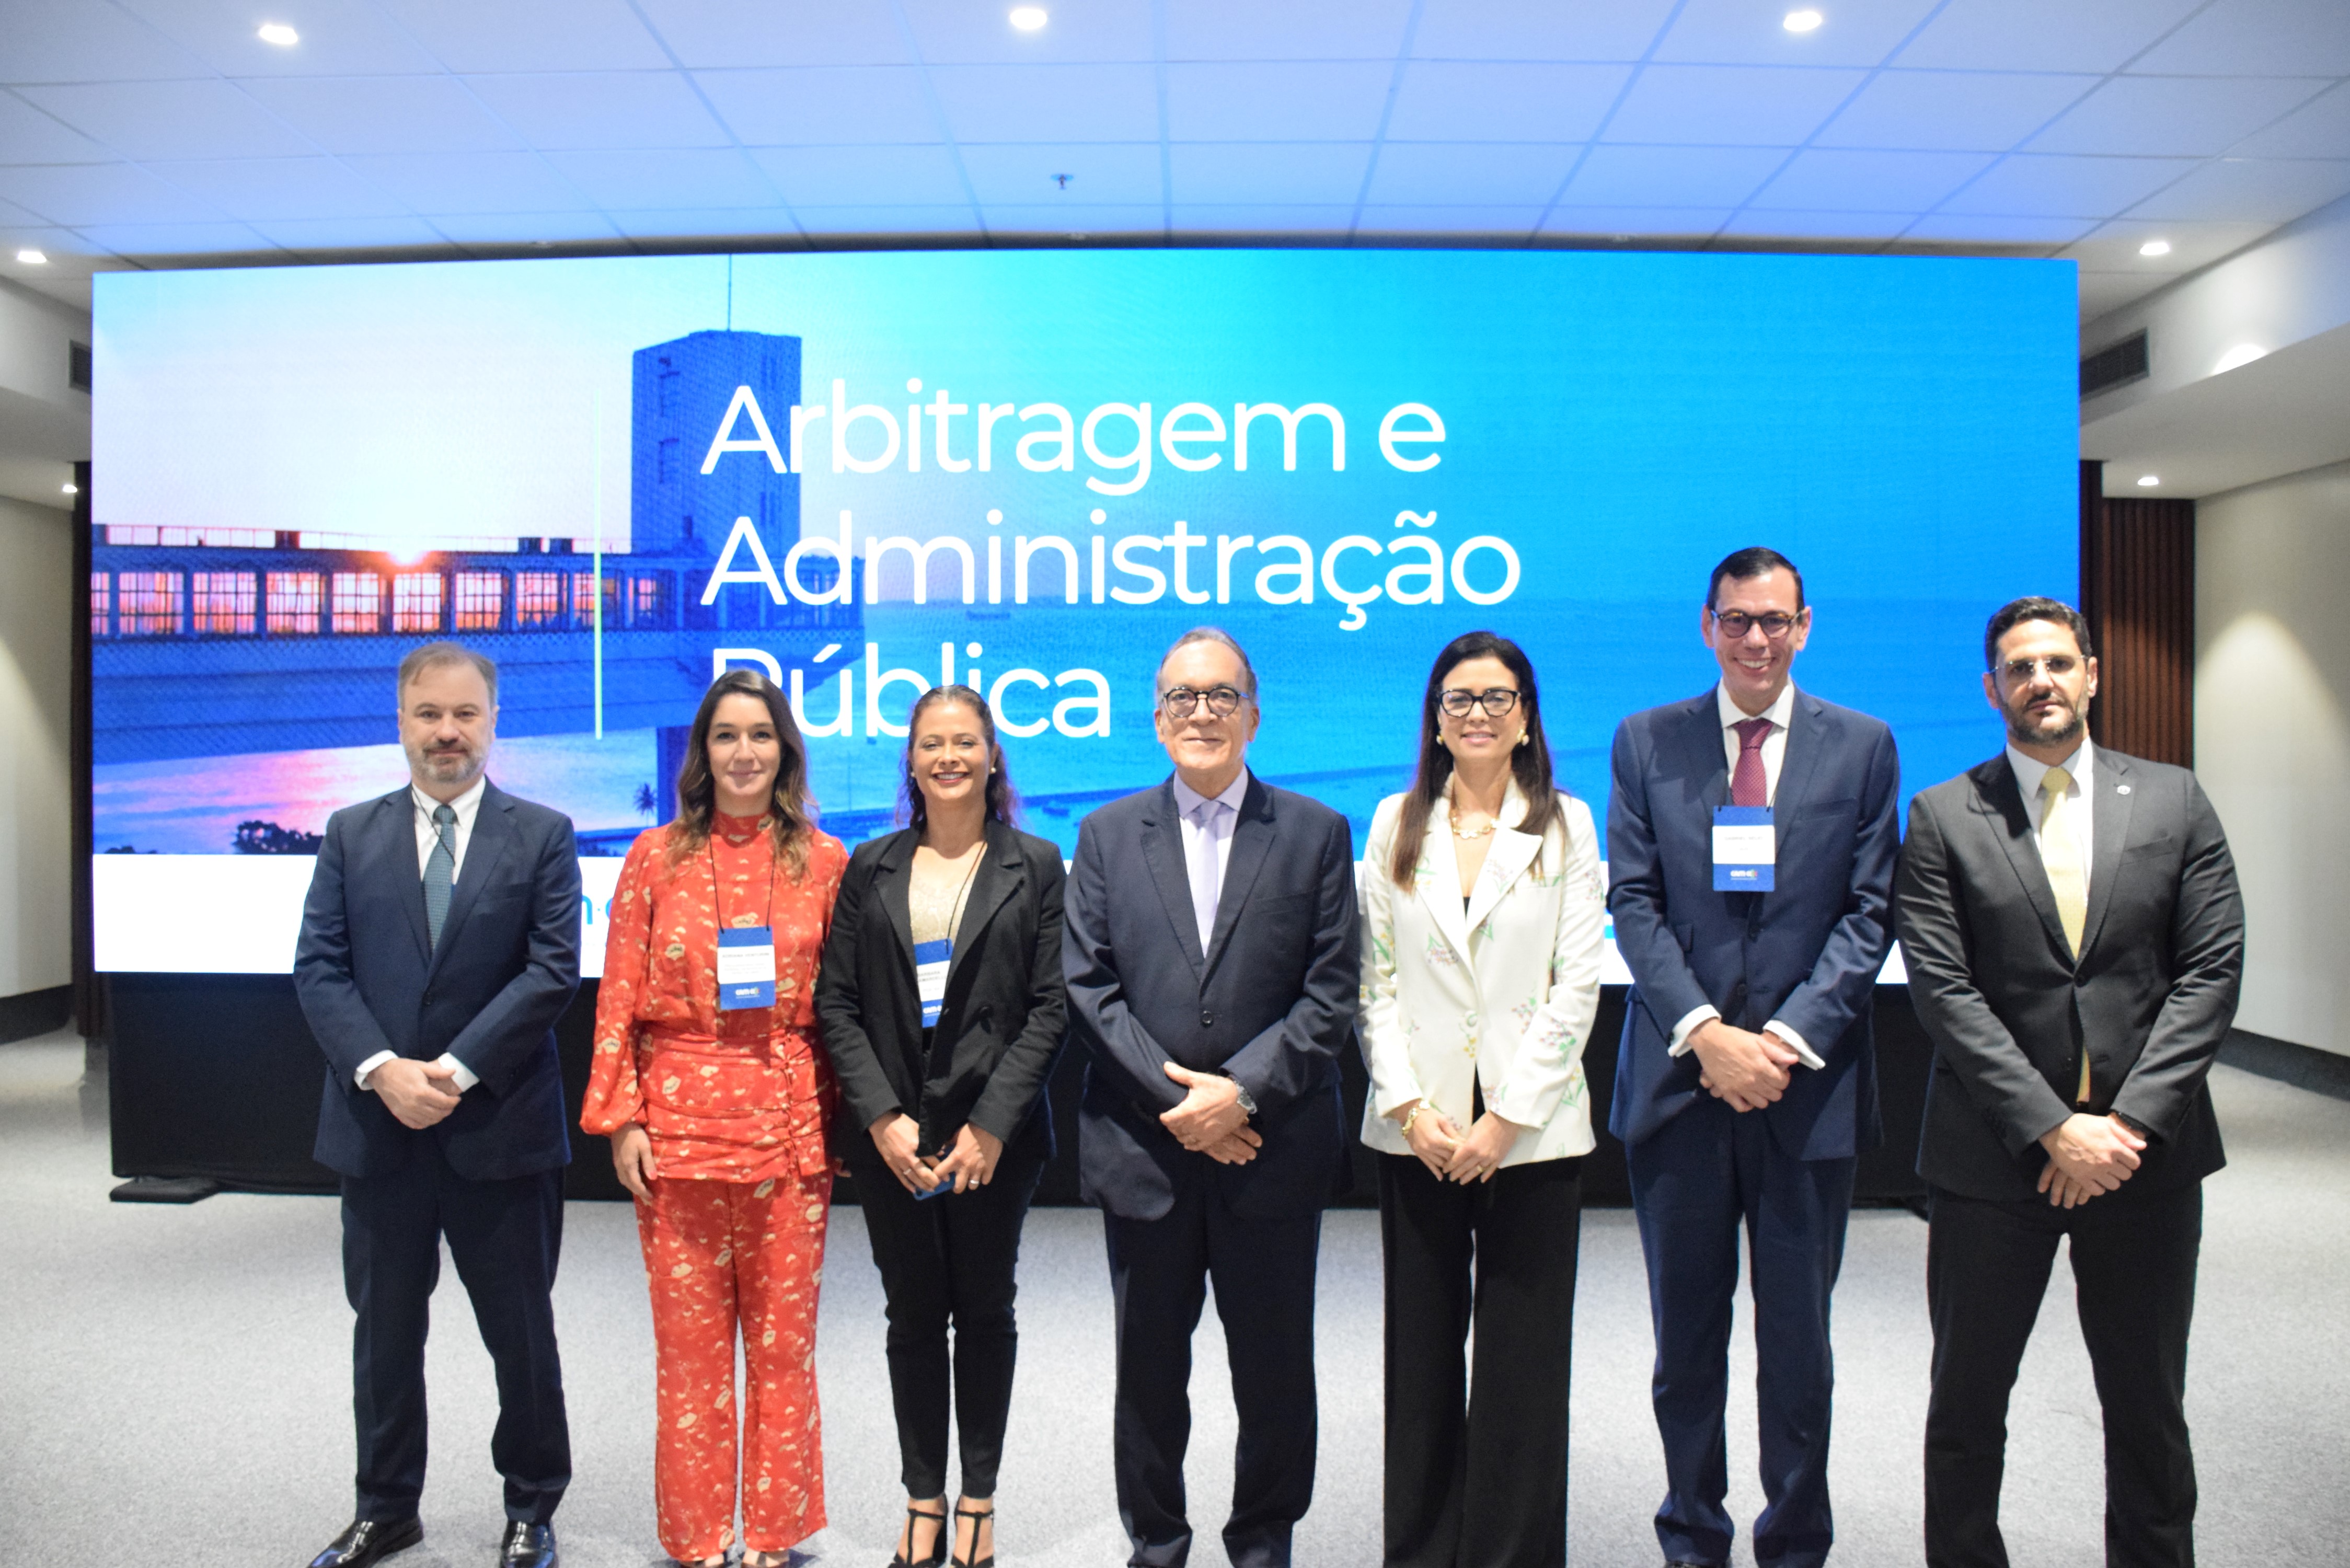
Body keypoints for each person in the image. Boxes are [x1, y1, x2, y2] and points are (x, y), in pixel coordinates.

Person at [1896, 596, 2243, 1568]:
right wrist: (2053, 1127)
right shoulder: (1943, 815)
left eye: (2057, 663)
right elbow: (1944, 990)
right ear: (1991, 689)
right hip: (1993, 1160)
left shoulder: (2175, 800)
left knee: (2147, 1406)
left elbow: (2211, 971)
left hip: (2145, 1162)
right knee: (1967, 1408)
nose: (2039, 681)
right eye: (2019, 668)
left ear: (2092, 673)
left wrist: (2125, 1126)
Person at [1606, 547, 1900, 1568]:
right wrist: (1705, 1033)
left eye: (1775, 620)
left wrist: (1781, 1041)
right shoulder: (1646, 740)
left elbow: (1869, 912)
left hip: (1803, 1090)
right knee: (1685, 1347)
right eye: (1737, 620)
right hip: (1680, 1088)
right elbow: (1632, 901)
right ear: (1707, 626)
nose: (1756, 639)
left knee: (1799, 1351)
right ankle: (1693, 1537)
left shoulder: (1862, 745)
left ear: (1804, 627)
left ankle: (1795, 1544)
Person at [1063, 627, 1358, 1568]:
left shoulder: (1315, 832)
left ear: (1253, 715)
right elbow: (1090, 990)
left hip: (1272, 1152)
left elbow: (1331, 993)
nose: (1202, 712)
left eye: (1221, 695)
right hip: (1145, 1155)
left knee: (1275, 1376)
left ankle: (1263, 1544)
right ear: (1157, 720)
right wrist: (1188, 1110)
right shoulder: (1106, 835)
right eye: (1184, 698)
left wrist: (1244, 1097)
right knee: (1149, 1377)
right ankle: (1157, 1544)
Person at [292, 641, 582, 1568]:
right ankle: (385, 1508)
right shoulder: (349, 833)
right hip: (378, 1130)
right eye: (429, 714)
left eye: (464, 714)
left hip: (500, 1129)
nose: (447, 732)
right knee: (383, 1336)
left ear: (493, 721)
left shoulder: (543, 834)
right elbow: (319, 969)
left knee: (520, 1337)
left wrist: (452, 1073)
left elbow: (551, 972)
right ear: (402, 722)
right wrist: (384, 1070)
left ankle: (532, 1508)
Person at [579, 669, 849, 1568]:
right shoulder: (653, 856)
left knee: (783, 1349)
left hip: (789, 1128)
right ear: (702, 751)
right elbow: (618, 995)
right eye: (726, 735)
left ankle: (772, 1530)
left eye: (760, 735)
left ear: (785, 750)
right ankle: (699, 1536)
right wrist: (622, 1119)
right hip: (677, 1131)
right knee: (690, 1354)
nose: (744, 752)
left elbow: (844, 1009)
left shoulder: (825, 861)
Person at [1358, 631, 1606, 1568]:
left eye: (1497, 698)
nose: (1477, 714)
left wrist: (1506, 1119)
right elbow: (1373, 982)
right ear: (1434, 719)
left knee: (1523, 1364)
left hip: (1531, 1135)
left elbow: (1576, 985)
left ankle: (1511, 1552)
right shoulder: (1395, 821)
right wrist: (1409, 1106)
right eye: (1458, 699)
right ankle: (1422, 1550)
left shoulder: (1568, 824)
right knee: (1419, 1363)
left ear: (1527, 718)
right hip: (1419, 1133)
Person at [815, 686, 1068, 1568]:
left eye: (966, 742)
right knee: (913, 1317)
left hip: (994, 1140)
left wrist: (992, 1127)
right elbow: (836, 1003)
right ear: (912, 761)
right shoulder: (871, 865)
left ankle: (979, 1505)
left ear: (994, 757)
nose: (950, 757)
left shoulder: (1037, 863)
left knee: (986, 1312)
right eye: (933, 744)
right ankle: (922, 1500)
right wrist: (881, 1120)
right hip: (895, 1138)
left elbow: (1050, 1007)